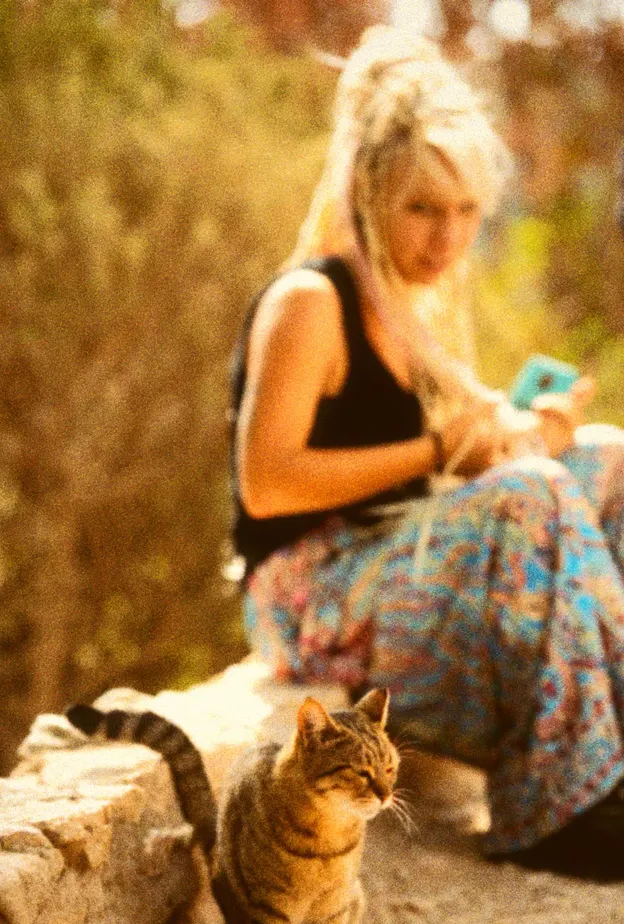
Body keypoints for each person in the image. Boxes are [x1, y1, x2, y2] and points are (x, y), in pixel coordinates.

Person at [230, 26, 624, 880]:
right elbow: (266, 484)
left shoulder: (409, 307)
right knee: (534, 492)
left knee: (607, 457)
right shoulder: (310, 301)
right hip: (307, 591)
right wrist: (440, 447)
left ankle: (608, 752)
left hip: (394, 565)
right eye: (422, 209)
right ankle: (559, 807)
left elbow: (434, 481)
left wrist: (509, 444)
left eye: (466, 212)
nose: (447, 237)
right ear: (369, 192)